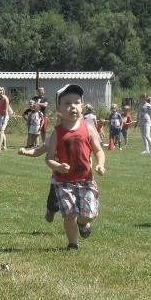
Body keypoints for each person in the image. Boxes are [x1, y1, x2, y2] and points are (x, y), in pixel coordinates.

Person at [46, 84, 106, 251]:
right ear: (59, 108)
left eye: (76, 102)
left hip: (86, 180)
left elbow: (98, 150)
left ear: (82, 106)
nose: (72, 106)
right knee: (70, 214)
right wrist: (57, 166)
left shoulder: (88, 128)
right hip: (64, 182)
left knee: (88, 214)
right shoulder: (57, 132)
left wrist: (100, 164)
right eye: (67, 103)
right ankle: (73, 243)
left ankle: (83, 223)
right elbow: (48, 158)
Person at [0, 86, 11, 151]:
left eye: (1, 90)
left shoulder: (5, 98)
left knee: (1, 131)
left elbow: (6, 109)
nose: (0, 92)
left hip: (4, 116)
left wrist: (4, 118)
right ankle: (4, 146)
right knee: (2, 132)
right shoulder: (0, 99)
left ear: (3, 91)